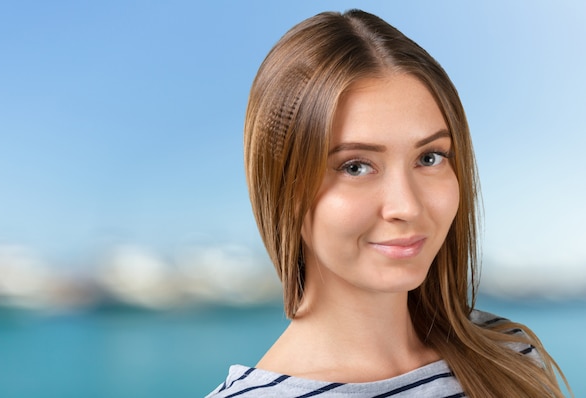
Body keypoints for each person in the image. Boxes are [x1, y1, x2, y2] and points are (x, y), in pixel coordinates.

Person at [206, 9, 570, 398]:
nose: (407, 206)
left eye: (429, 158)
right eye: (356, 166)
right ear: (282, 185)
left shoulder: (509, 355)